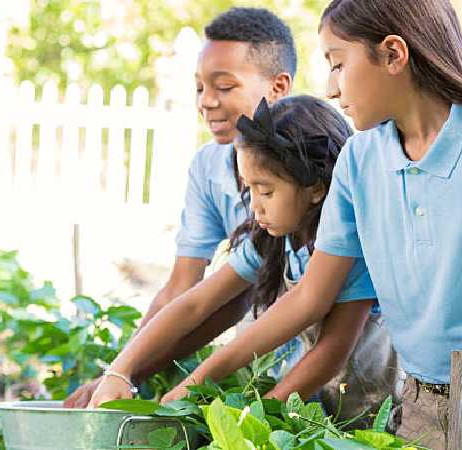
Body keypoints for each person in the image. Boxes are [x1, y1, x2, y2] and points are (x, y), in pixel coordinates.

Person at [159, 0, 462, 448]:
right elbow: (308, 301)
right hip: (416, 410)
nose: (332, 89)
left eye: (337, 64)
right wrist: (196, 386)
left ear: (393, 55)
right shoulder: (359, 159)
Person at [89, 96, 399, 428]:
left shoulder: (353, 247)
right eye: (248, 189)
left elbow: (331, 352)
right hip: (312, 411)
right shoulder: (273, 239)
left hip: (367, 419)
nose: (254, 207)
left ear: (316, 188)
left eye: (266, 192)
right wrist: (121, 369)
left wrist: (252, 419)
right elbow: (195, 304)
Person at [63, 7, 297, 408]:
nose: (206, 101)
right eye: (199, 87)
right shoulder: (209, 167)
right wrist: (120, 371)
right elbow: (183, 290)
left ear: (277, 87)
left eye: (224, 86)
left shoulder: (314, 164)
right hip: (267, 363)